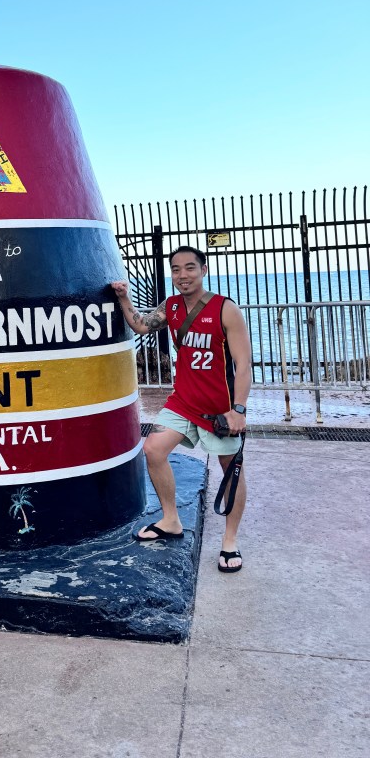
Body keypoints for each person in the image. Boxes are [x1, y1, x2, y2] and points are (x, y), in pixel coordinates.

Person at [111, 245, 252, 572]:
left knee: (231, 469)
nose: (183, 275)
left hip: (220, 409)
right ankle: (171, 520)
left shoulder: (225, 309)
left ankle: (230, 539)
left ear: (203, 270)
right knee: (153, 449)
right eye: (176, 269)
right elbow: (142, 325)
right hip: (183, 402)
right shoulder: (171, 306)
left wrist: (239, 410)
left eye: (190, 268)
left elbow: (244, 364)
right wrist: (124, 298)